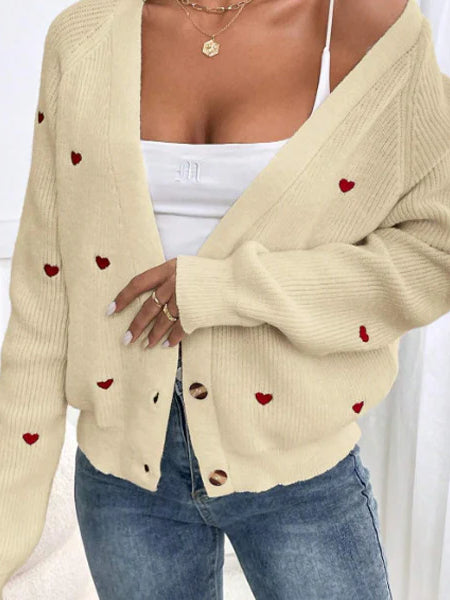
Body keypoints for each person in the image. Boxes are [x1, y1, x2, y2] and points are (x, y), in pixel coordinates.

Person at [1, 0, 450, 597]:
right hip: (124, 481)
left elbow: (436, 253)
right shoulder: (84, 37)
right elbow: (43, 296)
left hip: (300, 473)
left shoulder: (372, 27)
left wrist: (228, 289)